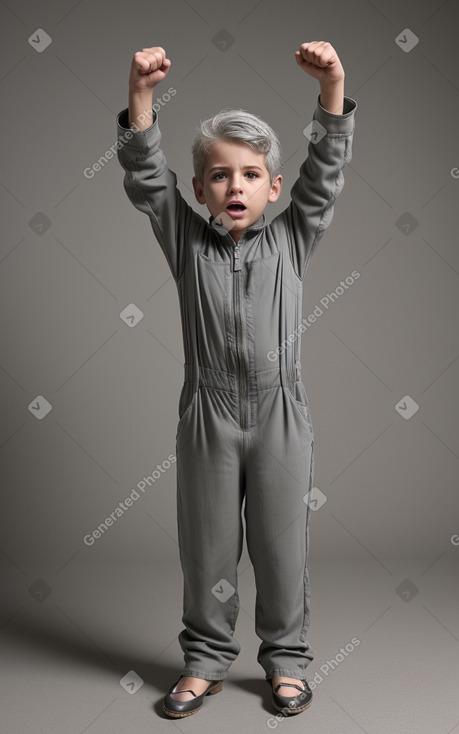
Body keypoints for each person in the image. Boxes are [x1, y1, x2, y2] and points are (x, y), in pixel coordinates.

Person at [116, 41, 357, 718]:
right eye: (219, 176)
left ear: (273, 189)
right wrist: (140, 95)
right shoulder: (184, 237)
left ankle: (286, 661)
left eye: (251, 175)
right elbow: (145, 178)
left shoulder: (291, 239)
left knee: (281, 549)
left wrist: (331, 85)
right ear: (200, 190)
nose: (235, 188)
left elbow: (325, 174)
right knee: (207, 548)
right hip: (208, 416)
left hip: (282, 415)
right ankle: (204, 661)